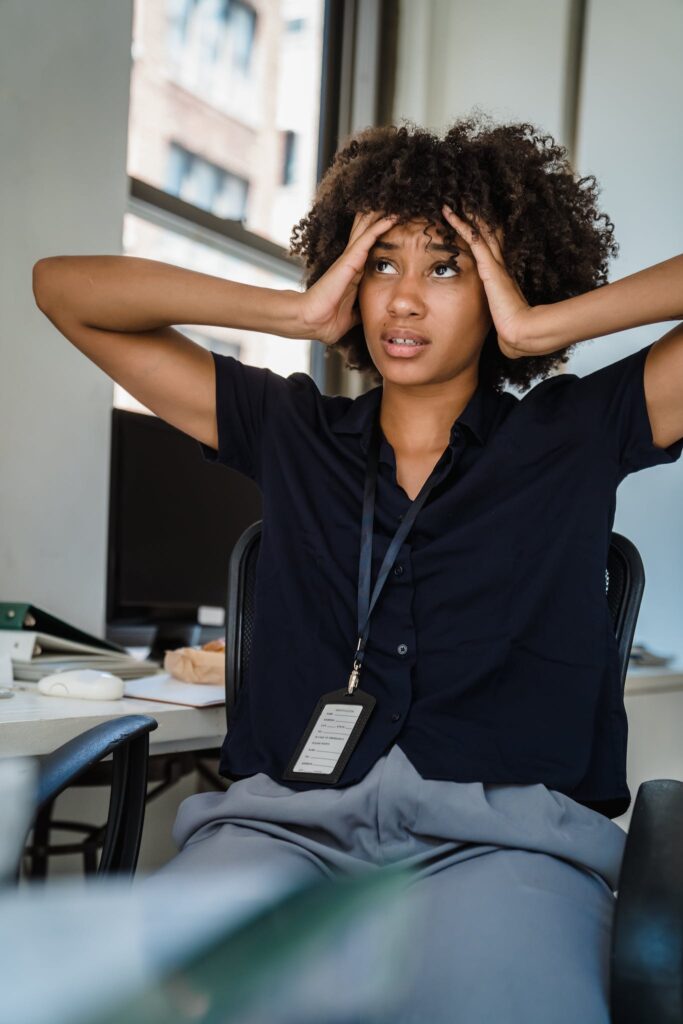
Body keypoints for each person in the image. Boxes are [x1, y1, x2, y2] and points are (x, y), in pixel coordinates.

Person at [32, 115, 683, 1022]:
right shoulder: (287, 430)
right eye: (383, 263)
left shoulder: (575, 432)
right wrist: (295, 310)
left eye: (445, 265)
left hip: (503, 846)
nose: (402, 301)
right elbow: (61, 288)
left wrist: (542, 324)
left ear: (505, 278)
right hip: (282, 829)